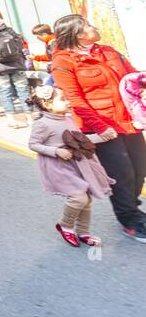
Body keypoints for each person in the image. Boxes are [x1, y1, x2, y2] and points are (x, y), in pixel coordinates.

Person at [48, 14, 146, 242]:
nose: (94, 27)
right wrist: (100, 128)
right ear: (77, 34)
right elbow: (74, 99)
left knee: (140, 169)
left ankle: (133, 208)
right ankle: (129, 220)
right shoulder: (63, 61)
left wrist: (142, 86)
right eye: (88, 26)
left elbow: (132, 76)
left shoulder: (108, 51)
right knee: (121, 174)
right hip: (100, 127)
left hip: (128, 120)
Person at [26, 85, 111, 248]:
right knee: (78, 198)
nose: (68, 102)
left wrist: (102, 137)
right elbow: (33, 144)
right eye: (62, 99)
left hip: (77, 163)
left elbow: (79, 140)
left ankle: (84, 231)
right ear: (48, 104)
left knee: (86, 199)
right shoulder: (42, 124)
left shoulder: (68, 119)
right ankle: (65, 225)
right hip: (58, 167)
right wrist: (55, 150)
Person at [0, 9, 31, 128]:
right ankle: (30, 118)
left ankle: (12, 119)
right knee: (24, 91)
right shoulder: (8, 29)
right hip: (17, 64)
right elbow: (19, 45)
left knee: (5, 93)